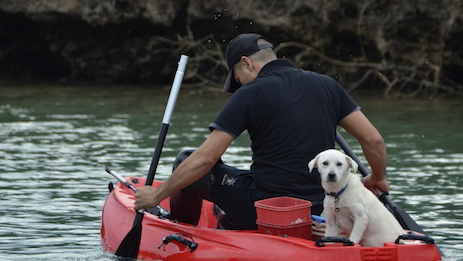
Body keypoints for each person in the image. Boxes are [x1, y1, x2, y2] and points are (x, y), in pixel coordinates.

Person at [133, 33, 390, 230]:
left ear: (246, 64)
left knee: (185, 159)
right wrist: (377, 177)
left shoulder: (250, 94)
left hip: (269, 209)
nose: (239, 85)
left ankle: (184, 232)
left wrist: (156, 195)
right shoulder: (327, 85)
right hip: (323, 206)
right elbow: (373, 139)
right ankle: (231, 221)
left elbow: (204, 159)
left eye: (237, 78)